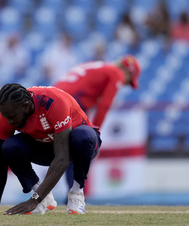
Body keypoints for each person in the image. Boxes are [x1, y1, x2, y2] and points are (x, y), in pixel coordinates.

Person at [0, 83, 101, 216]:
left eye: (12, 117)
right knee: (9, 147)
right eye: (6, 117)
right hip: (48, 147)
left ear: (26, 106)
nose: (9, 122)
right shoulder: (8, 115)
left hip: (80, 145)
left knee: (81, 137)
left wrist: (34, 200)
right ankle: (44, 198)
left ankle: (77, 193)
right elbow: (0, 161)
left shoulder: (54, 103)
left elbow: (62, 159)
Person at [53, 55, 141, 190]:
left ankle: (71, 195)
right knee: (86, 148)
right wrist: (95, 134)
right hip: (72, 103)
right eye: (128, 81)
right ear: (127, 72)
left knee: (68, 151)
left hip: (53, 99)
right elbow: (105, 105)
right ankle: (75, 195)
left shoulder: (97, 65)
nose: (125, 84)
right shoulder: (116, 72)